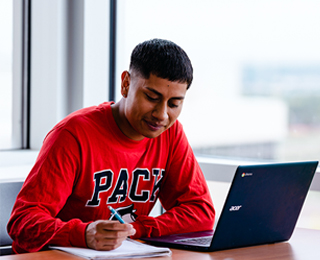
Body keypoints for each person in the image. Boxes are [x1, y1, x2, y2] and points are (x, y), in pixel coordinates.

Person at [7, 39, 215, 253]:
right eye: (152, 97)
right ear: (125, 84)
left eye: (174, 104)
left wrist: (137, 229)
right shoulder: (73, 134)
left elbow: (201, 213)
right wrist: (83, 234)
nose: (161, 115)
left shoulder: (170, 133)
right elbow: (22, 223)